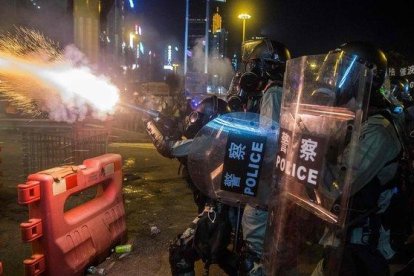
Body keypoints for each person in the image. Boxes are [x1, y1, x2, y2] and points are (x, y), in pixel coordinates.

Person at [308, 41, 409, 275]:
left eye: (344, 72)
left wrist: (312, 141)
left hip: (363, 249)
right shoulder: (358, 121)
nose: (334, 79)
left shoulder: (378, 130)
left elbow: (336, 187)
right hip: (343, 242)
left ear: (366, 79)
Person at [144, 95, 238, 275]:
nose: (193, 119)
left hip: (218, 212)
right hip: (225, 210)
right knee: (216, 253)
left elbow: (168, 147)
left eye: (198, 116)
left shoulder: (209, 141)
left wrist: (149, 122)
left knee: (181, 253)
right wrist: (170, 125)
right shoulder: (221, 139)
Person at [228, 38, 291, 275]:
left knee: (255, 251)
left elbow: (268, 139)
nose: (249, 70)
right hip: (266, 182)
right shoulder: (273, 91)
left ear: (266, 66)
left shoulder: (273, 92)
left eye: (254, 65)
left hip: (264, 185)